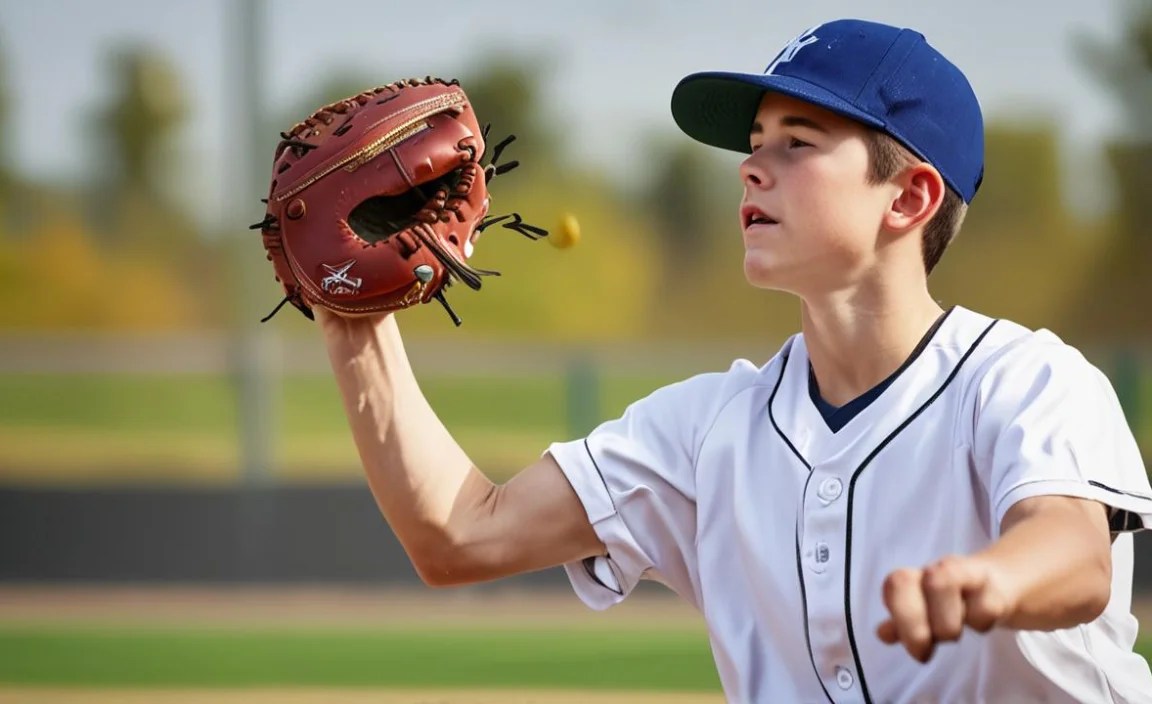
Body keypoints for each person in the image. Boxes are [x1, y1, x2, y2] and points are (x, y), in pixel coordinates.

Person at [315, 18, 1152, 703]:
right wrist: (351, 314)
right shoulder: (706, 431)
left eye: (798, 143)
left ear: (909, 196)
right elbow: (463, 535)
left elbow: (1074, 554)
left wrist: (986, 583)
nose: (752, 167)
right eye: (755, 143)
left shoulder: (1026, 380)